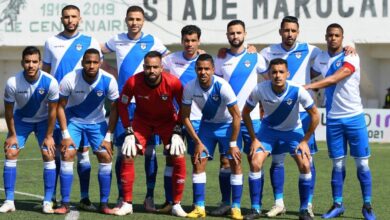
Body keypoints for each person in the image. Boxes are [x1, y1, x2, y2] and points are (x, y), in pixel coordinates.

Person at [305, 23, 376, 220]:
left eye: (337, 35)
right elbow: (304, 69)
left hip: (355, 117)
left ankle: (367, 206)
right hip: (333, 120)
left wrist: (308, 86)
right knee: (337, 165)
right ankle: (338, 204)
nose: (333, 38)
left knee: (362, 164)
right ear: (326, 37)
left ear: (342, 38)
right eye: (330, 35)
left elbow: (335, 78)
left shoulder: (351, 56)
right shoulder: (320, 58)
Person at [101, 6, 169, 210]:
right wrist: (112, 71)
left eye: (138, 19)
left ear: (143, 21)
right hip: (125, 104)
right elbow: (96, 52)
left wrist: (199, 53)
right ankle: (123, 196)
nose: (134, 23)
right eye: (131, 19)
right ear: (126, 20)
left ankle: (149, 196)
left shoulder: (152, 40)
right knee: (123, 152)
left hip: (147, 106)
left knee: (149, 152)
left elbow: (172, 59)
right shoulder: (117, 39)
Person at [259, 16, 322, 217]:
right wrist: (249, 48)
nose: (290, 34)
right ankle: (279, 203)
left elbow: (327, 58)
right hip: (277, 115)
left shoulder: (311, 50)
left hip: (302, 114)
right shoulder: (268, 51)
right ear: (280, 32)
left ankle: (307, 205)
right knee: (277, 160)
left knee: (306, 161)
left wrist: (349, 49)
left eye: (293, 30)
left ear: (298, 32)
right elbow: (253, 62)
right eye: (286, 30)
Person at [42, 4, 102, 210]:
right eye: (66, 17)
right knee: (61, 152)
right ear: (61, 19)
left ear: (80, 19)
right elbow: (46, 72)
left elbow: (99, 67)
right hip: (61, 105)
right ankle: (58, 196)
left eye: (73, 16)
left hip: (86, 107)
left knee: (84, 153)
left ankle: (85, 197)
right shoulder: (51, 42)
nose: (70, 20)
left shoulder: (90, 41)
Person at [242, 58, 319, 220]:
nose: (277, 75)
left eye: (281, 72)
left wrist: (305, 140)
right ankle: (255, 209)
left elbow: (315, 115)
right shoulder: (260, 89)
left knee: (305, 164)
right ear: (269, 74)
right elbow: (245, 113)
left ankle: (304, 209)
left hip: (293, 132)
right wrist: (254, 138)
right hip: (268, 132)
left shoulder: (297, 90)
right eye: (274, 72)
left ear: (287, 74)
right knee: (255, 162)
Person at [115, 51, 187, 217]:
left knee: (178, 155)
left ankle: (176, 204)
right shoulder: (133, 82)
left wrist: (177, 129)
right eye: (148, 67)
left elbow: (185, 105)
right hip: (142, 122)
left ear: (162, 68)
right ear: (143, 67)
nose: (152, 71)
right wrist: (128, 130)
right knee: (128, 153)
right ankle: (127, 203)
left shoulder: (173, 82)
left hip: (167, 121)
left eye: (155, 67)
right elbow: (122, 105)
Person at [53, 48, 119, 214]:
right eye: (88, 62)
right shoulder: (70, 79)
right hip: (73, 121)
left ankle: (104, 203)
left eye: (95, 62)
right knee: (67, 153)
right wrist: (66, 135)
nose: (91, 65)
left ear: (100, 63)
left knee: (105, 154)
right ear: (82, 63)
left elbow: (115, 109)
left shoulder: (108, 80)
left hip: (97, 122)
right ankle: (65, 203)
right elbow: (59, 107)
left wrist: (109, 136)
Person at [214, 19, 267, 219]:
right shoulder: (220, 58)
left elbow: (270, 81)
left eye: (238, 33)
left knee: (255, 161)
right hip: (228, 120)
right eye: (231, 33)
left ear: (245, 34)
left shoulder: (256, 57)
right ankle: (228, 203)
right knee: (227, 162)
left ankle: (256, 206)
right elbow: (216, 86)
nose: (235, 36)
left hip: (253, 119)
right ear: (227, 36)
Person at [182, 54, 244, 219]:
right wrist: (197, 141)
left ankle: (235, 207)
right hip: (207, 126)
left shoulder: (222, 86)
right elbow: (185, 117)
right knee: (198, 161)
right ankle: (199, 207)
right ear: (195, 69)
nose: (203, 72)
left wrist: (232, 143)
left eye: (207, 69)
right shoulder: (189, 87)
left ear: (213, 70)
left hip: (228, 126)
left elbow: (237, 116)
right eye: (200, 69)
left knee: (233, 162)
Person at [0, 46, 59, 214]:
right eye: (27, 62)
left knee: (48, 153)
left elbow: (53, 111)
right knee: (10, 152)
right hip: (22, 120)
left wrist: (49, 136)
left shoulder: (50, 82)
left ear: (40, 63)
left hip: (43, 121)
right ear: (22, 63)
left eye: (34, 62)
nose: (31, 65)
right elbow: (9, 111)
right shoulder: (13, 82)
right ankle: (9, 200)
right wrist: (12, 135)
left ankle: (48, 201)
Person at [160, 24, 203, 213]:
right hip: (174, 120)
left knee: (197, 161)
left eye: (193, 40)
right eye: (186, 40)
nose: (190, 44)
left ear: (199, 41)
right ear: (181, 41)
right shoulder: (170, 60)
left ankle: (197, 204)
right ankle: (169, 201)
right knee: (170, 159)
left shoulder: (205, 61)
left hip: (197, 119)